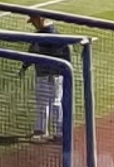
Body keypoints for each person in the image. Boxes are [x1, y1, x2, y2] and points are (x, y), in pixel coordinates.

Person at [23, 14, 71, 143]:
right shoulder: (42, 34)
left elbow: (62, 55)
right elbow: (31, 52)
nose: (33, 24)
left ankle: (49, 132)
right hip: (48, 75)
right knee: (50, 103)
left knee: (50, 103)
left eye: (33, 21)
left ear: (40, 19)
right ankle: (49, 131)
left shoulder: (51, 35)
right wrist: (25, 65)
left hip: (50, 76)